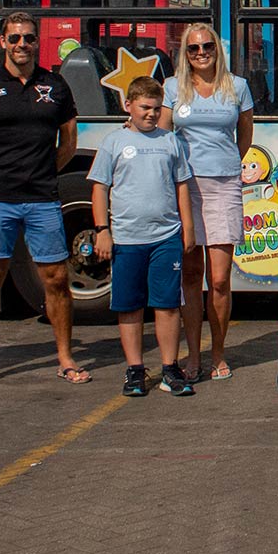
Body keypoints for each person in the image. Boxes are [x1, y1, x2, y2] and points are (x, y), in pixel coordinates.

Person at [0, 11, 83, 389]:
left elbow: (69, 143)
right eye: (14, 39)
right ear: (2, 42)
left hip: (43, 199)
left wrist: (42, 174)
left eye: (29, 38)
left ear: (36, 42)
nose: (22, 45)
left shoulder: (56, 86)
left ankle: (64, 357)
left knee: (57, 279)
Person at [89, 76, 196, 398]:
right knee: (130, 306)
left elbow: (181, 186)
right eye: (144, 107)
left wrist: (187, 228)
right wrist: (102, 231)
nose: (150, 114)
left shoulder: (170, 141)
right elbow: (99, 188)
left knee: (167, 305)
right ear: (128, 106)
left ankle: (169, 368)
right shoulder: (113, 142)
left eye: (155, 108)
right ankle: (135, 370)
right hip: (126, 239)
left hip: (166, 237)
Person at [160, 24, 254, 382]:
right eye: (194, 48)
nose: (202, 53)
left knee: (218, 280)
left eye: (208, 46)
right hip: (185, 188)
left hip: (224, 186)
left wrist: (226, 163)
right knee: (190, 275)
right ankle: (194, 357)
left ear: (217, 48)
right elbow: (165, 137)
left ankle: (218, 352)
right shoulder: (172, 88)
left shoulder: (238, 86)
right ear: (185, 53)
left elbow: (244, 135)